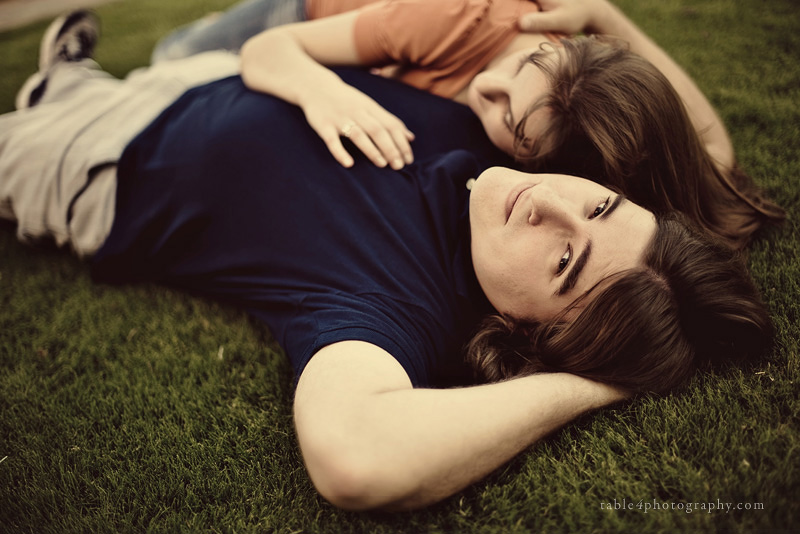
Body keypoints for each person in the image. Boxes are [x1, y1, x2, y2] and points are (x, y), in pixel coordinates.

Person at [1, 12, 773, 511]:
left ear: (529, 328)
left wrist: (586, 383)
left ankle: (57, 94)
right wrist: (607, 18)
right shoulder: (520, 151)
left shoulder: (402, 305)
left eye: (565, 260)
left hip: (100, 164)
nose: (550, 203)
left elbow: (357, 456)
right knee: (129, 77)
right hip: (219, 80)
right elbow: (710, 153)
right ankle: (68, 80)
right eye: (599, 204)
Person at [150, 0, 785, 249]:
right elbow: (274, 51)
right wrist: (322, 90)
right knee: (175, 60)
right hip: (312, 12)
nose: (491, 89)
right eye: (526, 65)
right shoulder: (459, 17)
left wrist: (608, 19)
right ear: (555, 42)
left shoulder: (581, 149)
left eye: (513, 121)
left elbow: (708, 153)